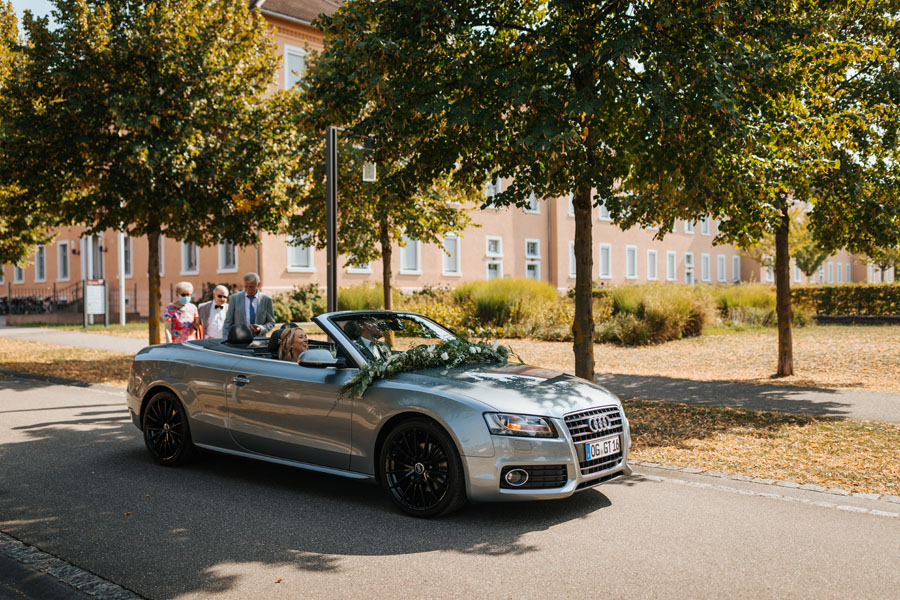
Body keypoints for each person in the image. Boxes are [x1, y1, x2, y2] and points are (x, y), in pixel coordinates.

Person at [223, 272, 275, 339]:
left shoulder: (266, 300)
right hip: (238, 340)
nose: (248, 289)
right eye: (246, 286)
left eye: (251, 286)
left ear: (258, 284)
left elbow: (271, 322)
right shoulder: (234, 299)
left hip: (259, 341)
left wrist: (260, 328)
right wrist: (225, 339)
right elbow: (228, 322)